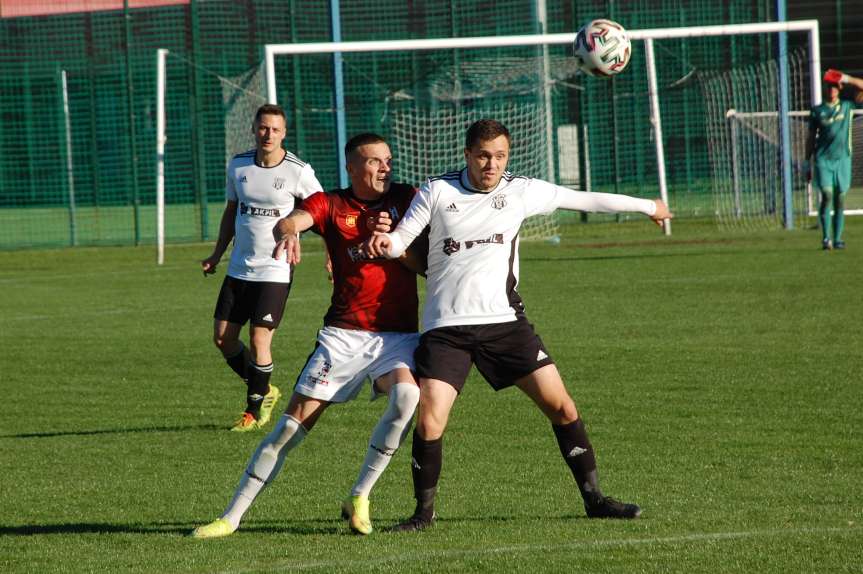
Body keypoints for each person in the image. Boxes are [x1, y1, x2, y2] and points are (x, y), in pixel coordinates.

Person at [364, 119, 673, 531]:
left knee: (562, 407)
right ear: (467, 155)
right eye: (483, 156)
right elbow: (403, 238)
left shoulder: (520, 191)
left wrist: (647, 206)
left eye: (500, 156)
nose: (492, 165)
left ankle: (595, 499)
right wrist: (388, 244)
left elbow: (582, 199)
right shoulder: (438, 190)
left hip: (505, 324)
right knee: (430, 419)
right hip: (447, 329)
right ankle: (423, 514)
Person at [191, 133, 427, 538]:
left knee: (408, 396)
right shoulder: (332, 204)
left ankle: (360, 495)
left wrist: (393, 245)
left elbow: (422, 265)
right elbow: (294, 217)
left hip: (397, 337)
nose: (385, 168)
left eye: (388, 160)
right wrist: (290, 229)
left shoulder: (407, 200)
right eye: (374, 162)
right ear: (352, 168)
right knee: (288, 429)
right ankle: (231, 517)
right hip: (343, 337)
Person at [201, 104, 323, 432]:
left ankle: (253, 412)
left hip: (276, 268)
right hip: (239, 267)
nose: (268, 134)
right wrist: (216, 254)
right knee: (223, 339)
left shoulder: (297, 170)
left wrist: (330, 254)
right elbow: (231, 211)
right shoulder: (239, 165)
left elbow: (323, 210)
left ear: (284, 133)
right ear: (254, 129)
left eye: (275, 129)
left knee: (259, 339)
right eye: (263, 128)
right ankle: (264, 388)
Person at [806, 68, 863, 250]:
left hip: (843, 159)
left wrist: (846, 78)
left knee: (840, 198)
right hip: (823, 159)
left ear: (839, 88)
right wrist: (807, 162)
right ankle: (825, 238)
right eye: (829, 87)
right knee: (828, 194)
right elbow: (810, 138)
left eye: (834, 87)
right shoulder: (817, 111)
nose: (831, 90)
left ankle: (837, 239)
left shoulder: (847, 106)